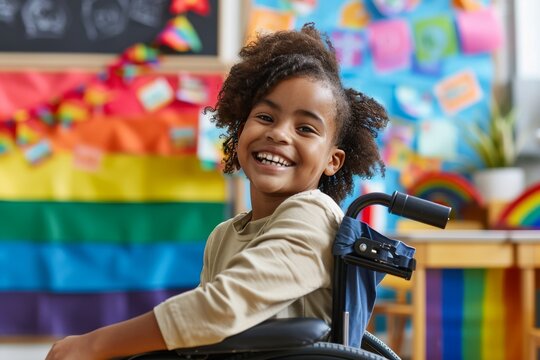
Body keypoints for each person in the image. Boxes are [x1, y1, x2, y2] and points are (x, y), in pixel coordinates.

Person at [45, 23, 388, 360]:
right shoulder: (225, 235)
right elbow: (202, 338)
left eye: (305, 128)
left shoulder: (313, 215)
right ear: (239, 129)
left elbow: (220, 309)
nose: (280, 134)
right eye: (266, 117)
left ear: (333, 160)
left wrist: (91, 346)